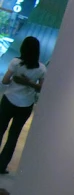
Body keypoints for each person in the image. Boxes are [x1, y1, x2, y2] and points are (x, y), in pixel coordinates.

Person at [0, 36, 46, 174]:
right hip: (26, 105)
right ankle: (1, 166)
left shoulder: (16, 62)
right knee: (13, 136)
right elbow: (41, 88)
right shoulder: (42, 69)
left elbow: (5, 80)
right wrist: (30, 83)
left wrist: (17, 79)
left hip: (9, 100)